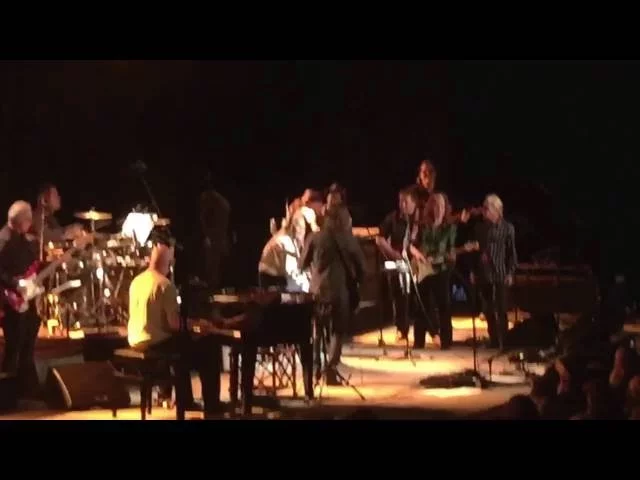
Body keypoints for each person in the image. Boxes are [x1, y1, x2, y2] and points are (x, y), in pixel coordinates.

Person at [127, 242, 222, 415]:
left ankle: (185, 400)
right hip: (155, 344)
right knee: (209, 348)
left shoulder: (136, 282)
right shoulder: (165, 285)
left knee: (183, 344)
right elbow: (174, 324)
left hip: (136, 341)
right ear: (169, 264)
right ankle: (212, 407)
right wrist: (197, 325)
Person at [300, 205, 365, 384]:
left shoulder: (314, 237)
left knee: (316, 330)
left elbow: (301, 264)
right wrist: (356, 280)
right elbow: (362, 267)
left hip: (317, 292)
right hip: (338, 292)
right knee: (338, 330)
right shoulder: (348, 239)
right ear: (341, 220)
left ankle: (315, 369)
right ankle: (330, 369)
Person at [0, 201, 41, 400]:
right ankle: (8, 396)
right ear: (21, 221)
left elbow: (30, 266)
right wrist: (16, 284)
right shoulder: (3, 240)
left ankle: (26, 392)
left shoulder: (23, 240)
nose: (30, 223)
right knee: (14, 348)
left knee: (26, 345)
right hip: (10, 302)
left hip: (25, 301)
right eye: (28, 220)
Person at [409, 193, 457, 349]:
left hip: (441, 269)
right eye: (435, 205)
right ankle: (419, 342)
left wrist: (448, 257)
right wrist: (418, 255)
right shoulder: (422, 226)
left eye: (441, 206)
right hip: (423, 269)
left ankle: (446, 341)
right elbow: (411, 245)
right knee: (421, 305)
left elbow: (451, 251)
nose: (438, 209)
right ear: (430, 207)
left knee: (444, 305)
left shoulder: (449, 228)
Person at [471, 194, 518, 350]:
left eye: (487, 209)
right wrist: (473, 271)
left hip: (501, 273)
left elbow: (511, 253)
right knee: (488, 309)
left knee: (501, 308)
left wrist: (510, 273)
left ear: (497, 210)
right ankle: (493, 340)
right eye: (484, 208)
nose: (484, 212)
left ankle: (504, 341)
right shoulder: (480, 228)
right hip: (484, 273)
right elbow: (475, 251)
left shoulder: (508, 228)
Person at [376, 185, 420, 340]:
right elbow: (379, 238)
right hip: (398, 262)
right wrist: (393, 253)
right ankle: (401, 329)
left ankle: (428, 329)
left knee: (419, 295)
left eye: (405, 202)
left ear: (414, 203)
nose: (402, 205)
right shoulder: (393, 218)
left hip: (417, 262)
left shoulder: (419, 219)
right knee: (399, 294)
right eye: (400, 201)